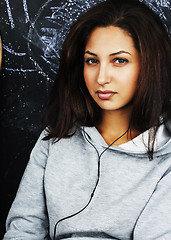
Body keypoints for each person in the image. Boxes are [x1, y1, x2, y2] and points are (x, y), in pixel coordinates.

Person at [3, 0, 171, 239]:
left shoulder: (167, 156)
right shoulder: (56, 136)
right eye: (92, 60)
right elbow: (23, 229)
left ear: (151, 66)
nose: (102, 77)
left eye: (119, 60)